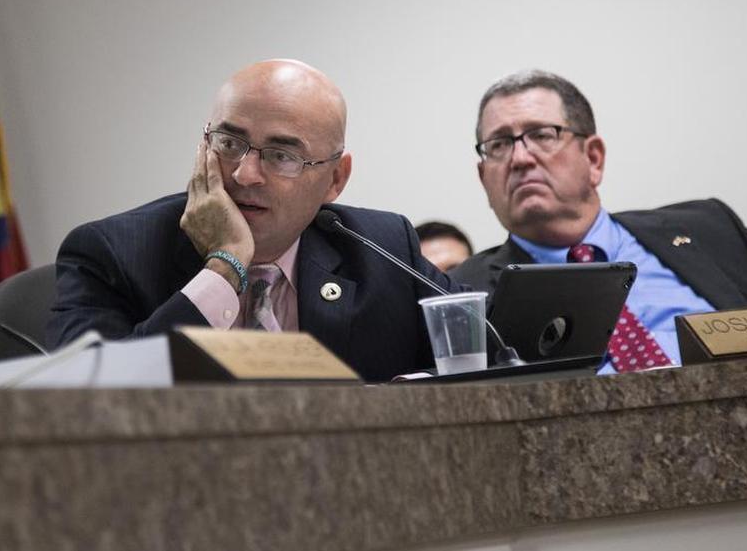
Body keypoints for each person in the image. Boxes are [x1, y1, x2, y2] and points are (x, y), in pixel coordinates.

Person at [46, 59, 450, 382]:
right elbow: (84, 398)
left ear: (336, 179)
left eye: (281, 156)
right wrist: (225, 266)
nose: (244, 174)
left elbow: (490, 357)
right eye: (229, 143)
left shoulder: (384, 249)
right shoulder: (114, 252)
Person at [450, 69, 747, 373]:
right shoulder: (462, 296)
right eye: (499, 144)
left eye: (542, 135)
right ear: (485, 179)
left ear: (594, 159)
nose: (520, 158)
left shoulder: (711, 229)